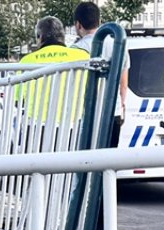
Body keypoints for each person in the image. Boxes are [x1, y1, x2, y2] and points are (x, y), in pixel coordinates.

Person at [18, 17, 91, 125]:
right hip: (72, 129)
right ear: (63, 37)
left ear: (40, 37)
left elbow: (18, 100)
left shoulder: (26, 61)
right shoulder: (83, 57)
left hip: (35, 129)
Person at [72, 1, 128, 142]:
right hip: (111, 113)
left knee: (84, 160)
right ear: (100, 21)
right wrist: (121, 107)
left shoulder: (74, 50)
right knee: (108, 160)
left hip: (85, 116)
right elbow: (123, 83)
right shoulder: (119, 46)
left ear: (78, 25)